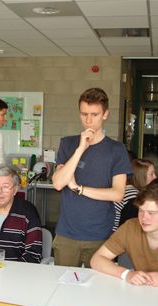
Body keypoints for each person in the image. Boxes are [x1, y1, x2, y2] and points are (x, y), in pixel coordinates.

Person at [52, 87, 131, 267]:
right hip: (67, 234)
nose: (88, 120)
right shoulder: (68, 143)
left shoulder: (116, 149)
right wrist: (80, 149)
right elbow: (58, 183)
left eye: (94, 115)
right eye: (84, 114)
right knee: (64, 289)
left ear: (105, 114)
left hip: (100, 234)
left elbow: (118, 193)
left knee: (97, 290)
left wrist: (79, 189)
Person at [113, 158, 157, 231]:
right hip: (114, 235)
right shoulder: (133, 196)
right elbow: (130, 226)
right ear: (141, 177)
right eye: (151, 174)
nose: (155, 177)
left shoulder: (127, 189)